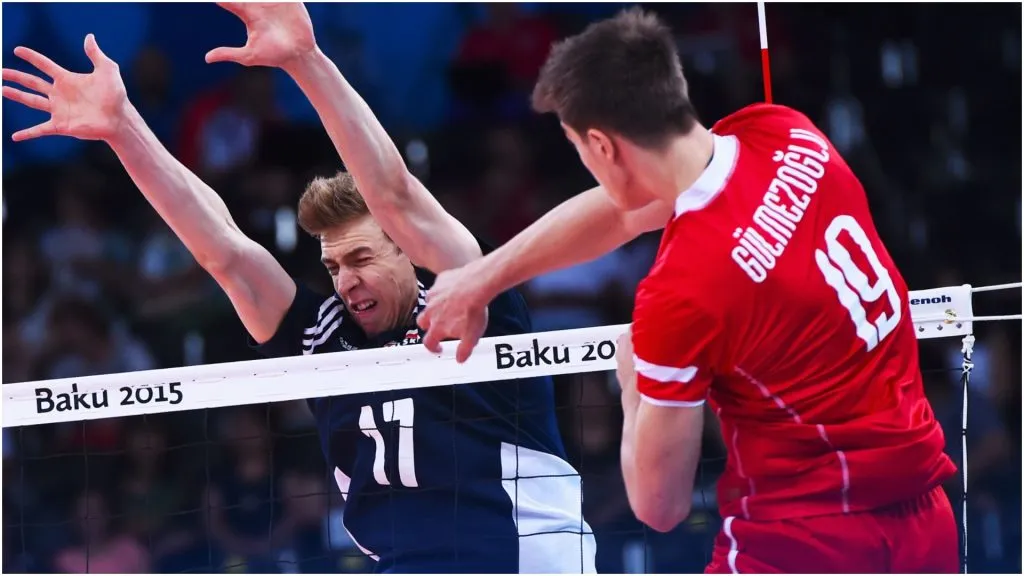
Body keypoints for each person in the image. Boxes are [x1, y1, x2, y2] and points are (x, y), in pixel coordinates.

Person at [1, 4, 595, 571]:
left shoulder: (468, 298)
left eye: (362, 257)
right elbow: (224, 252)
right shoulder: (321, 336)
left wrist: (304, 59)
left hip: (521, 560)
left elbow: (397, 195)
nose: (345, 279)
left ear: (410, 253)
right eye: (334, 266)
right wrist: (124, 130)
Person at [419, 8, 959, 574]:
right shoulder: (784, 132)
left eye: (579, 148)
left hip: (807, 538)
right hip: (925, 519)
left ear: (601, 146)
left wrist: (631, 383)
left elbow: (660, 506)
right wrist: (484, 277)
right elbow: (628, 213)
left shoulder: (683, 290)